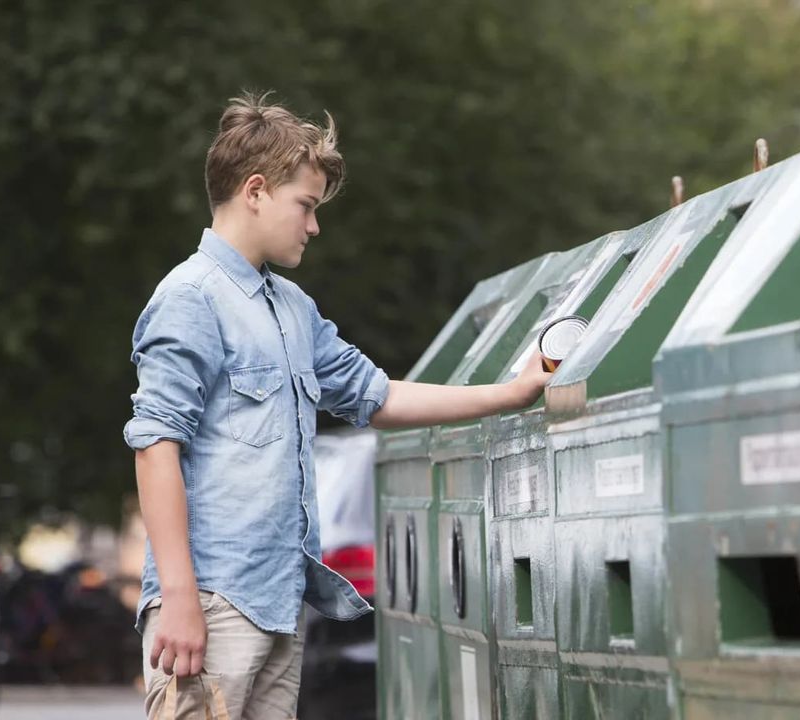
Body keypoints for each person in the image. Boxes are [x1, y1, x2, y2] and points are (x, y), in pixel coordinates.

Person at [123, 92, 551, 720]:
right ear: (256, 190)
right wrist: (180, 598)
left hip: (280, 601)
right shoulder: (189, 298)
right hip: (211, 604)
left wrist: (511, 394)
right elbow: (156, 446)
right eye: (306, 206)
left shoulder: (293, 308)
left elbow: (379, 395)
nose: (314, 226)